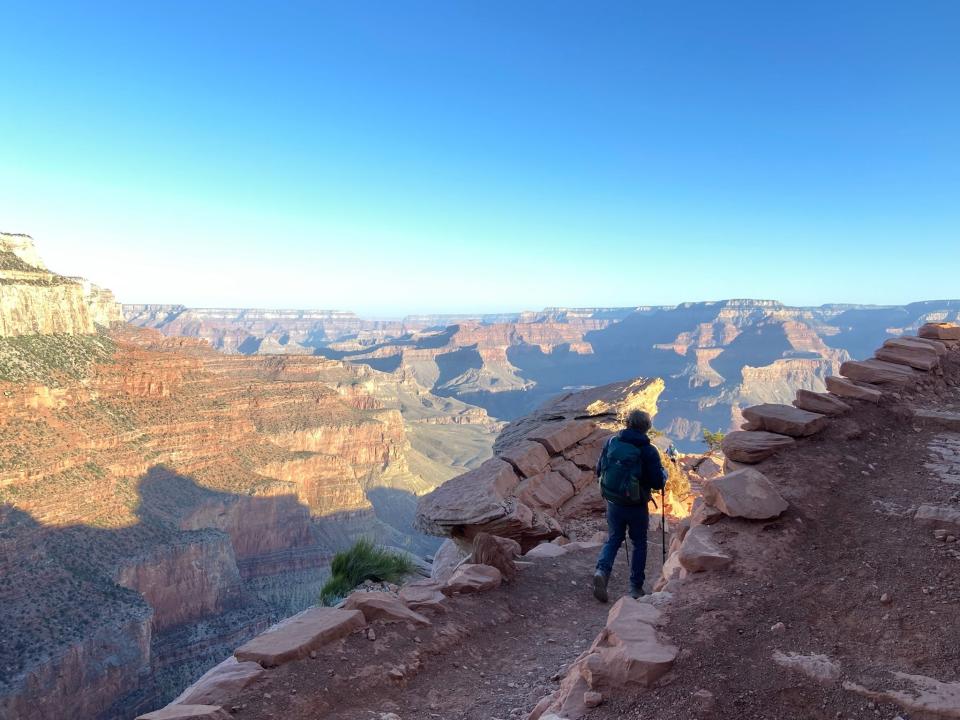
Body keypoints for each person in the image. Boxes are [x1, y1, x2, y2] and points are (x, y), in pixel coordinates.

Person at [593, 409, 667, 602]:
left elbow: (599, 469)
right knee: (639, 542)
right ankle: (635, 587)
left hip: (614, 502)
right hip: (636, 505)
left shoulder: (611, 442)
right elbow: (658, 483)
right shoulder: (648, 451)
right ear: (647, 427)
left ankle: (602, 570)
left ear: (627, 423)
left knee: (614, 538)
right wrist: (664, 474)